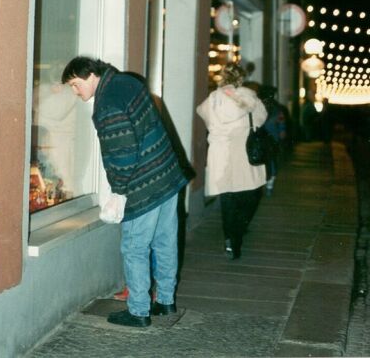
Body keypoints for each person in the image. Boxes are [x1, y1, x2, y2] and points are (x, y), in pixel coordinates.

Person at [61, 56, 187, 329]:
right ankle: (165, 301)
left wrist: (118, 191)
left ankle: (139, 310)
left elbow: (122, 152)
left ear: (90, 74)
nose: (75, 91)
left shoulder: (106, 104)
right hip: (167, 173)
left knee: (134, 246)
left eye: (75, 84)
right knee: (165, 240)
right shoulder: (128, 82)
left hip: (143, 184)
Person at [196, 62, 267, 259]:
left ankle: (230, 239)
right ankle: (239, 229)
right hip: (243, 151)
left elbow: (205, 116)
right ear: (241, 78)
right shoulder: (249, 96)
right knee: (250, 194)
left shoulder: (213, 99)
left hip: (221, 153)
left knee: (228, 199)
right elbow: (261, 118)